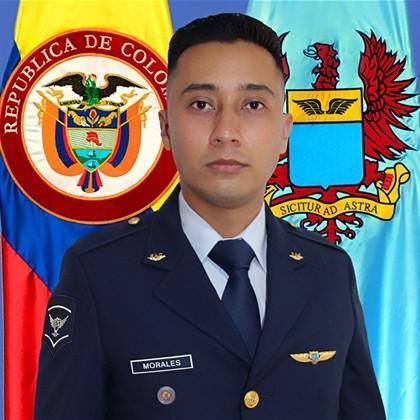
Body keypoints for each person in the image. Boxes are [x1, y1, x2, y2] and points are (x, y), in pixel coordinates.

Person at [35, 13, 386, 420]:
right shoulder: (100, 274)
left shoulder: (328, 271)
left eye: (253, 105)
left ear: (284, 130)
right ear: (166, 128)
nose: (226, 131)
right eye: (201, 105)